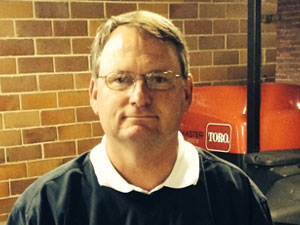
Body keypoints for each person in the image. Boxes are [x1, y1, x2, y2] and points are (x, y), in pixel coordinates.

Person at [7, 11, 273, 225]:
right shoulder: (44, 209)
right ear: (94, 94)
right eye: (121, 79)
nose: (140, 97)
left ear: (187, 93)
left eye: (159, 79)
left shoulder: (237, 198)